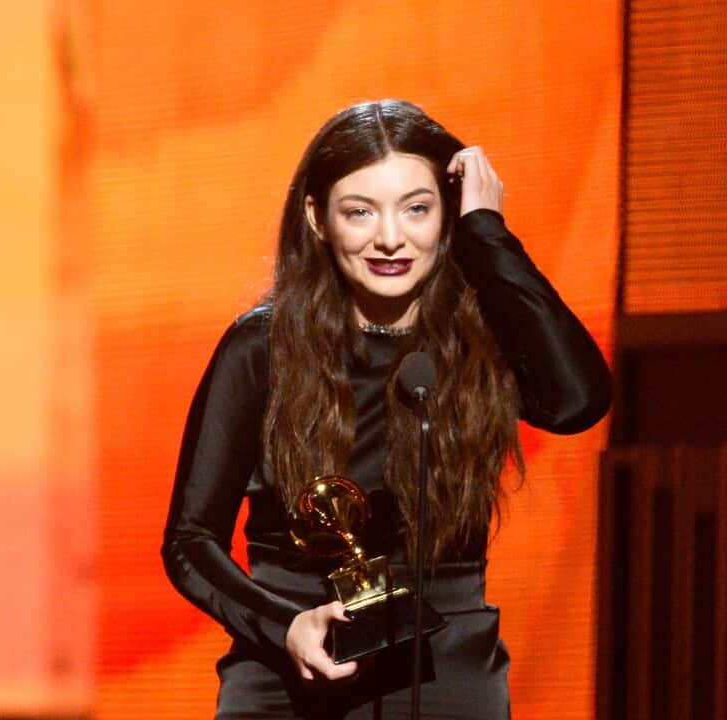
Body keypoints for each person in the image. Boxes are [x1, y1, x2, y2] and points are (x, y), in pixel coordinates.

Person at [160, 99, 612, 719]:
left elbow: (579, 401)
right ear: (318, 219)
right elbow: (190, 541)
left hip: (446, 662)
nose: (391, 238)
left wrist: (488, 236)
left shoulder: (481, 336)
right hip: (290, 664)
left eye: (417, 209)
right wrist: (285, 626)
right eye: (360, 212)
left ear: (446, 216)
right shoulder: (261, 348)